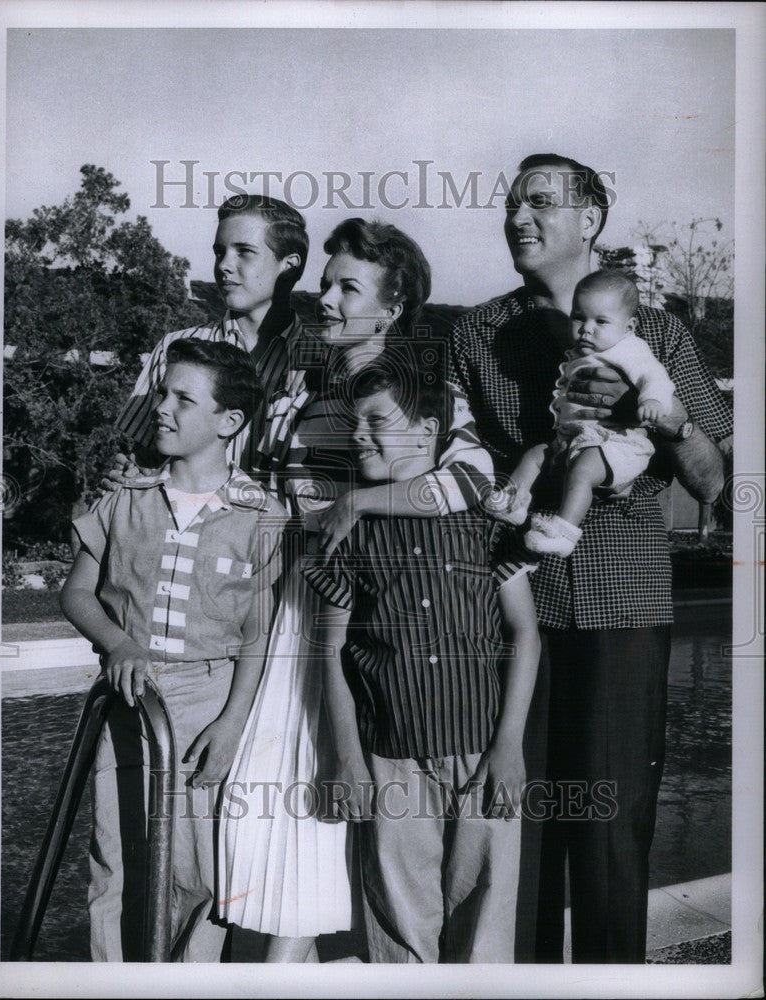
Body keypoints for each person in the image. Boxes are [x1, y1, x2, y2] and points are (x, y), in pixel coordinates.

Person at [449, 153, 732, 963]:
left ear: (590, 221)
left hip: (621, 605)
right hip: (510, 607)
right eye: (510, 204)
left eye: (540, 202)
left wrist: (661, 416)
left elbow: (712, 476)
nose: (518, 218)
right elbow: (454, 463)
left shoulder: (661, 333)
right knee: (518, 842)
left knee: (608, 844)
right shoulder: (475, 332)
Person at [216, 218, 496, 962]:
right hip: (302, 612)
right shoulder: (308, 388)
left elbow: (470, 481)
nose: (327, 301)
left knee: (348, 821)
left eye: (348, 287)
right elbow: (266, 493)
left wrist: (356, 503)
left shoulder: (426, 388)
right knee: (287, 818)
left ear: (396, 303)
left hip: (384, 628)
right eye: (326, 284)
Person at [301, 362, 540, 963]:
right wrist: (350, 762)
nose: (361, 434)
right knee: (400, 930)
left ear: (429, 429)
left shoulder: (486, 524)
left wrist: (509, 743)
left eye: (378, 420)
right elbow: (329, 652)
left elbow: (525, 634)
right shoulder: (344, 532)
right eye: (354, 424)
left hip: (481, 753)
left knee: (484, 929)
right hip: (390, 764)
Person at [60, 339, 288, 961]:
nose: (161, 408)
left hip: (208, 706)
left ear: (229, 422)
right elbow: (78, 592)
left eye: (182, 399)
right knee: (116, 865)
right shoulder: (125, 497)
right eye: (163, 393)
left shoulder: (260, 516)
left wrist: (234, 722)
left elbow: (257, 634)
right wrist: (118, 641)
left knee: (198, 874)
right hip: (127, 701)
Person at [115, 193, 309, 497]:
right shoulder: (175, 348)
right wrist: (126, 475)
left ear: (289, 266)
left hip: (281, 537)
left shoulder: (322, 360)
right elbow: (142, 462)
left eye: (244, 251)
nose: (224, 266)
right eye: (220, 252)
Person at [500, 270, 676, 556]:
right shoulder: (582, 351)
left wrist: (653, 400)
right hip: (576, 438)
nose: (586, 329)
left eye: (601, 321)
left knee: (582, 470)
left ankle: (563, 533)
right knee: (535, 455)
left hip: (617, 442)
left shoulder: (629, 349)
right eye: (579, 317)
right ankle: (513, 504)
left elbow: (655, 377)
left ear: (629, 326)